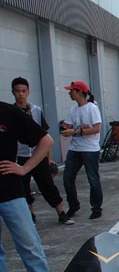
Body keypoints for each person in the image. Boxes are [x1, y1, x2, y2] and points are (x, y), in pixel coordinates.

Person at [0, 101, 54, 272]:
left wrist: (24, 168)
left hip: (10, 193)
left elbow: (46, 141)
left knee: (29, 245)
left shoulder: (8, 113)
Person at [11, 78, 74, 226]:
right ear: (13, 92)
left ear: (28, 92)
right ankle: (30, 215)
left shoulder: (36, 110)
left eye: (23, 91)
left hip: (38, 155)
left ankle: (61, 213)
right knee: (23, 188)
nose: (20, 94)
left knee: (48, 185)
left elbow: (44, 135)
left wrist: (48, 157)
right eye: (17, 91)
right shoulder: (11, 112)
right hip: (21, 156)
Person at [60, 81, 103, 220]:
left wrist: (76, 132)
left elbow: (96, 128)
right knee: (67, 178)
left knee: (93, 179)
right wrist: (65, 128)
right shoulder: (73, 109)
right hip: (75, 148)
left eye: (72, 91)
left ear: (80, 92)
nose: (69, 93)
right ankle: (73, 205)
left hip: (90, 149)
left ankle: (96, 208)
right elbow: (68, 125)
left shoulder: (92, 108)